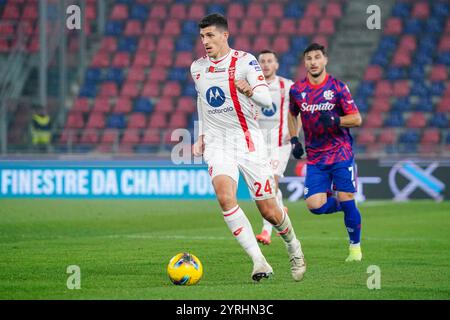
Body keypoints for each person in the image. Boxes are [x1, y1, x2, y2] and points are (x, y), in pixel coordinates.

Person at [191, 13, 306, 281]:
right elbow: (202, 101)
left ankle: (294, 247)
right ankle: (259, 262)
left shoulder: (245, 61)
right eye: (202, 37)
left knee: (269, 211)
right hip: (219, 144)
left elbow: (267, 100)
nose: (205, 41)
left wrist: (250, 91)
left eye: (210, 36)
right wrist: (201, 135)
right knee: (224, 197)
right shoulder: (197, 67)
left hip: (248, 142)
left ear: (224, 35)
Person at [288, 43, 363, 262]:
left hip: (341, 153)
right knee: (314, 205)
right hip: (316, 157)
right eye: (309, 58)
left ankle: (355, 248)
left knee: (347, 196)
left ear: (325, 60)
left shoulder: (338, 87)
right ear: (305, 63)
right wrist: (294, 139)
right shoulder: (297, 90)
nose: (313, 62)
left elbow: (356, 119)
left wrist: (336, 119)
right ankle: (344, 206)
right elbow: (292, 115)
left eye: (317, 57)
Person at [254, 50, 296, 245]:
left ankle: (266, 231)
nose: (265, 64)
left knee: (271, 183)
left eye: (269, 61)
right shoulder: (253, 86)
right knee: (264, 185)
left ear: (276, 65)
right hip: (260, 146)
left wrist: (295, 132)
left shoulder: (287, 86)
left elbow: (299, 111)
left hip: (280, 144)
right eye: (262, 61)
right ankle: (280, 207)